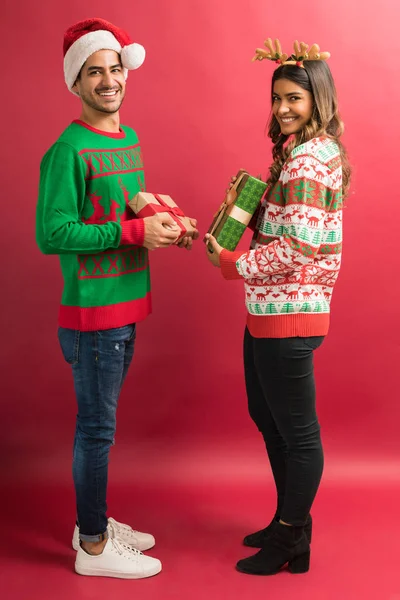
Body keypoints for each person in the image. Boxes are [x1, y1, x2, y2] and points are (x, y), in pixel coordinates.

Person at [36, 18, 198, 579]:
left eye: (113, 69)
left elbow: (124, 206)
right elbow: (52, 232)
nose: (108, 81)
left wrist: (163, 217)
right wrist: (133, 233)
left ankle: (93, 520)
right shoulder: (68, 150)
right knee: (97, 430)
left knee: (102, 426)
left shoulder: (125, 139)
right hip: (93, 315)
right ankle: (95, 547)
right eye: (93, 72)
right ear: (75, 83)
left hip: (127, 306)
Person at [205, 38, 350, 576]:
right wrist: (246, 208)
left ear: (319, 101)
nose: (283, 108)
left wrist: (233, 264)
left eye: (295, 98)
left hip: (290, 312)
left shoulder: (309, 159)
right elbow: (288, 225)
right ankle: (291, 522)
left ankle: (291, 536)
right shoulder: (298, 153)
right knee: (267, 418)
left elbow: (300, 247)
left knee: (297, 433)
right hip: (269, 309)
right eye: (278, 98)